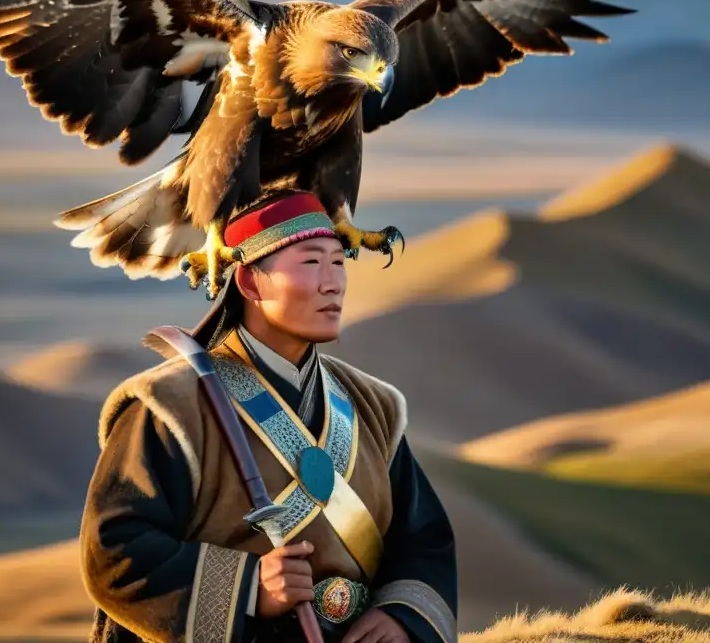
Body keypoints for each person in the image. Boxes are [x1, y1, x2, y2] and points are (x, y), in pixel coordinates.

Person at [79, 190, 457, 643]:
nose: (333, 282)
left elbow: (423, 539)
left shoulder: (372, 404)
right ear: (250, 283)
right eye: (311, 263)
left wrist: (401, 615)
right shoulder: (170, 405)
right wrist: (247, 588)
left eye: (339, 263)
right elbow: (115, 552)